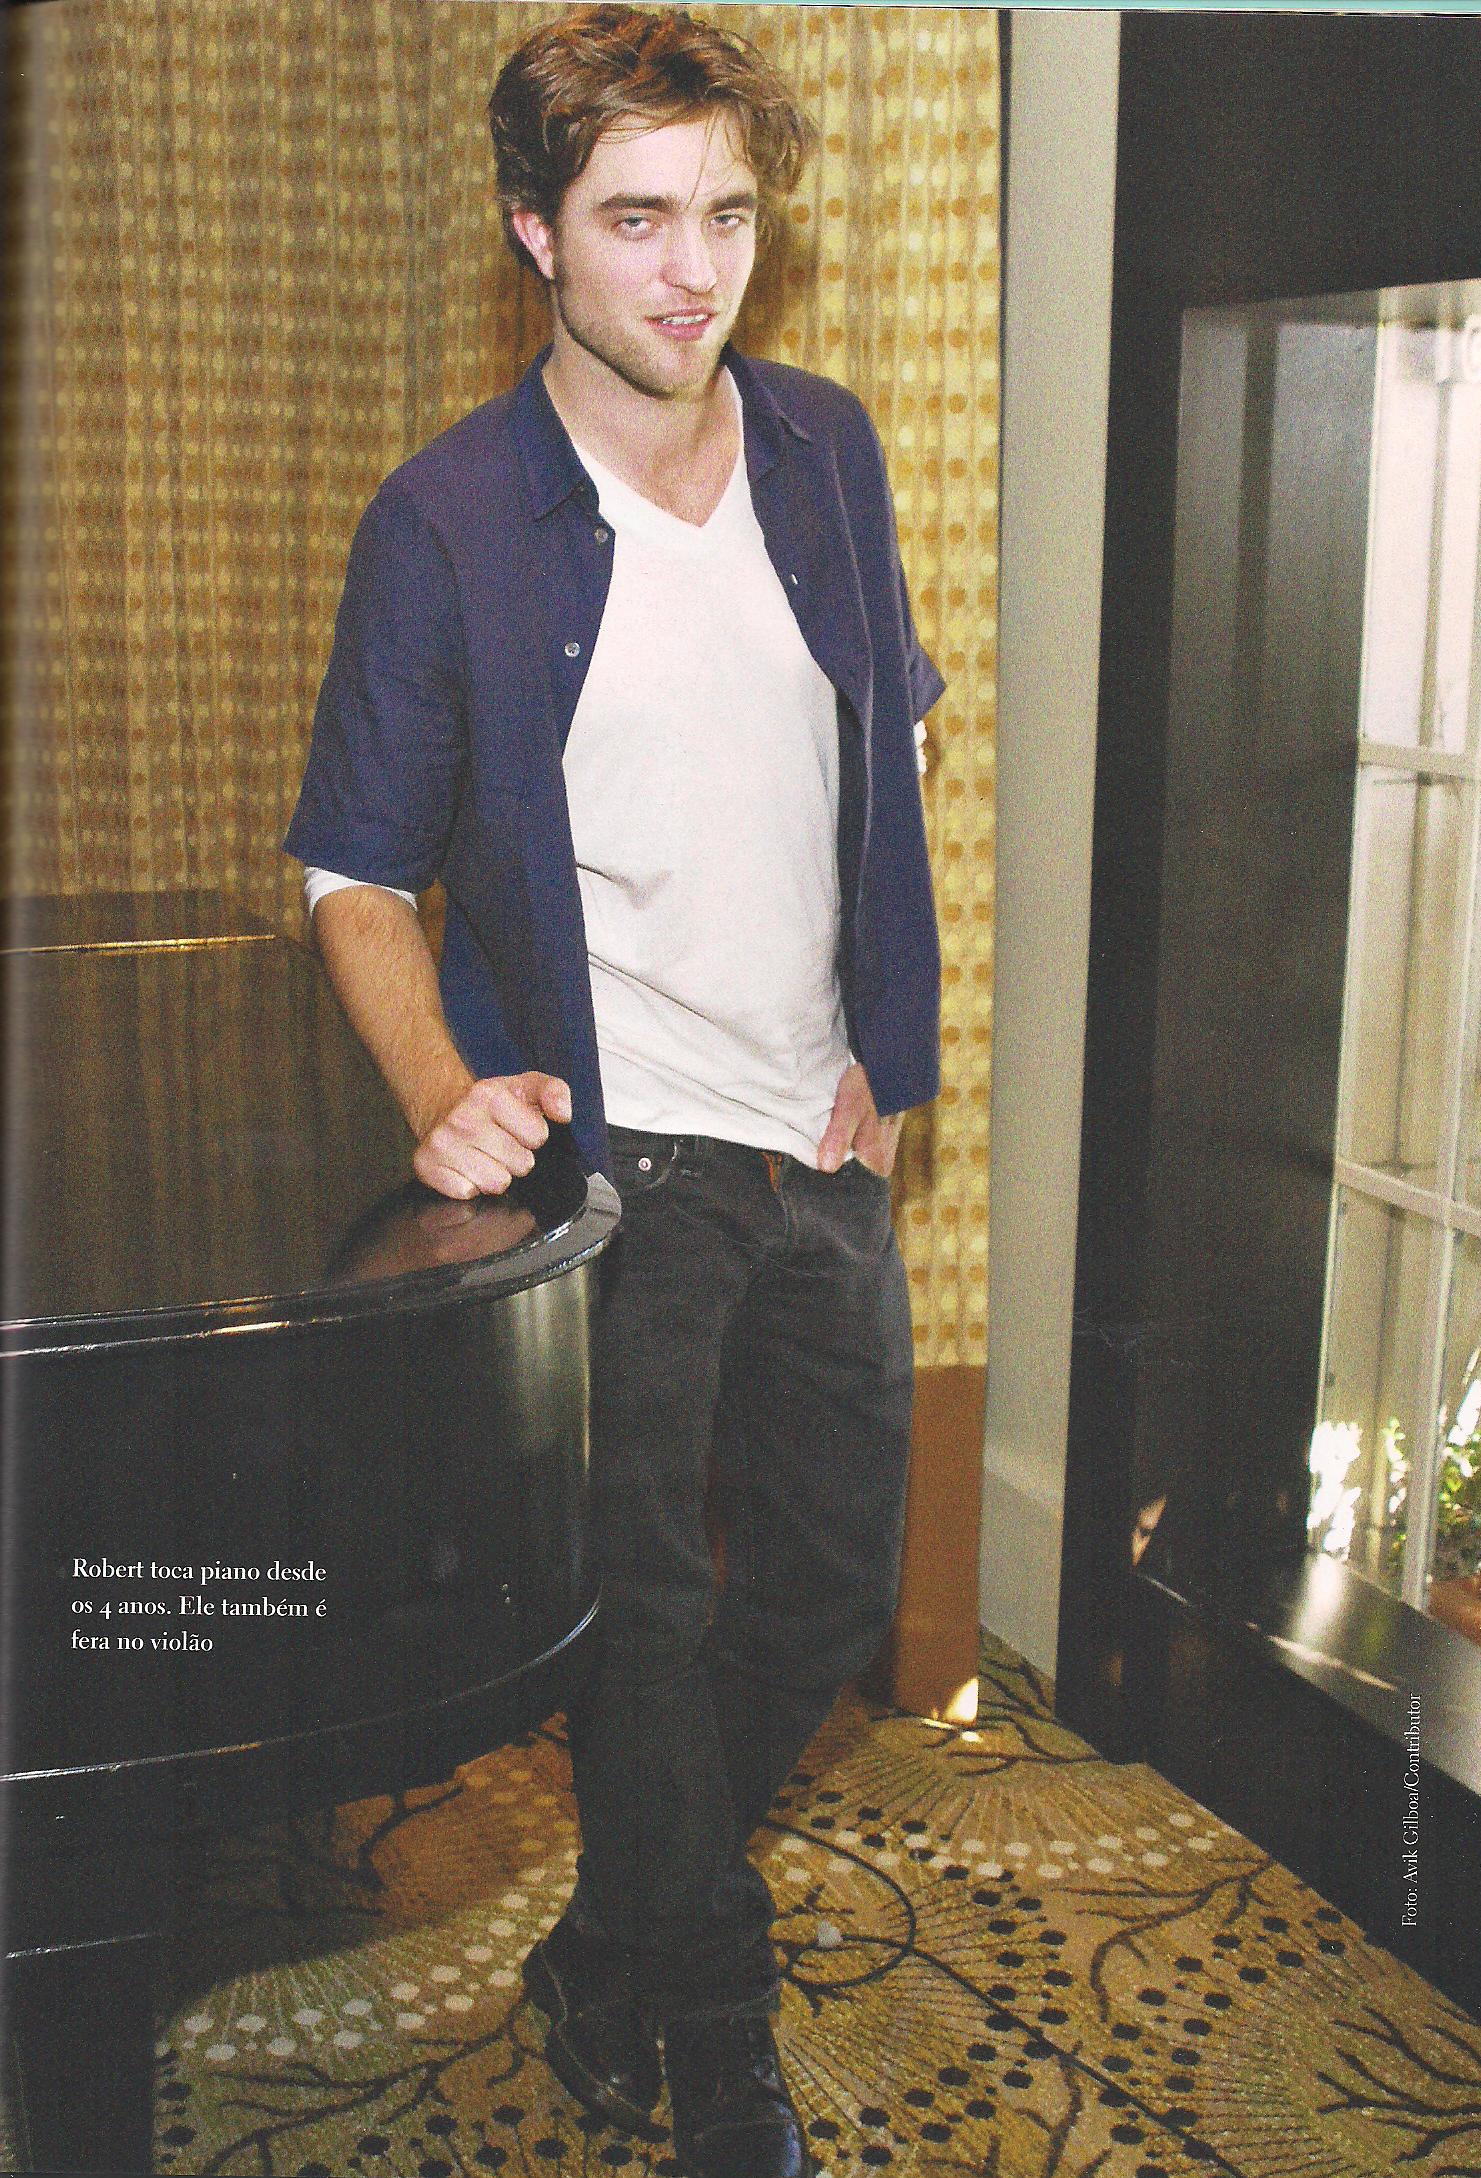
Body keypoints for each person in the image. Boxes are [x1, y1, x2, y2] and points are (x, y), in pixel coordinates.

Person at [284, 10, 943, 2173]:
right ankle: (718, 2034)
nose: (693, 269)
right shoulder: (447, 519)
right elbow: (354, 874)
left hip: (818, 1141)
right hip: (619, 1162)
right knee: (644, 1618)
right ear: (534, 234)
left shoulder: (828, 449)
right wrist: (443, 1087)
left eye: (727, 214)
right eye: (638, 219)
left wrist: (890, 1046)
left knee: (824, 1596)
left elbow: (884, 752)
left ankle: (602, 1948)